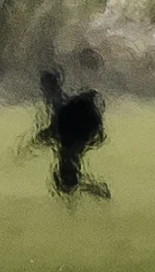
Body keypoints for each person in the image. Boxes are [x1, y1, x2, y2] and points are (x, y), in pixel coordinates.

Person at [32, 67, 112, 202]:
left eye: (44, 85)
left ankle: (96, 192)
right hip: (74, 137)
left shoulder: (57, 100)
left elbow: (58, 123)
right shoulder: (56, 100)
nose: (43, 89)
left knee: (66, 179)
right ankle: (90, 194)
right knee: (65, 177)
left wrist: (44, 136)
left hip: (73, 138)